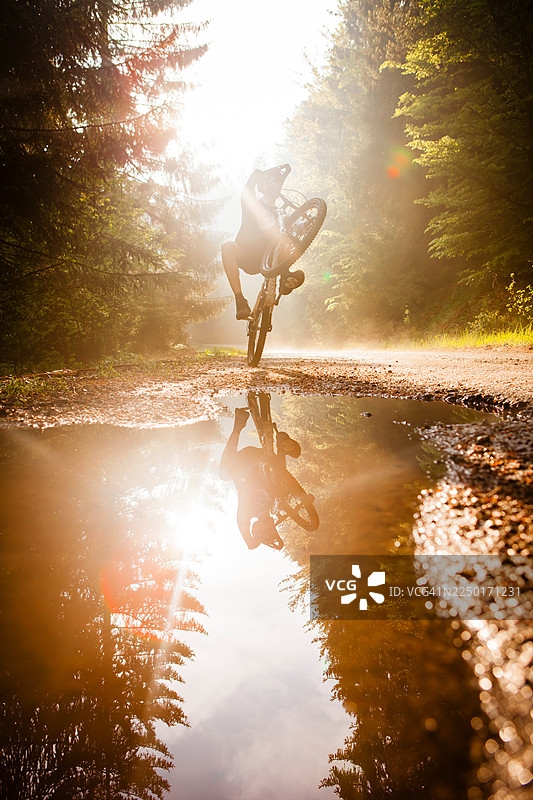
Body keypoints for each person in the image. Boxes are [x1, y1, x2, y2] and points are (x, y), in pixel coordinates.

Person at [221, 165, 305, 320]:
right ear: (264, 185)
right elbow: (247, 192)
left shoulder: (282, 214)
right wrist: (254, 177)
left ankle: (285, 278)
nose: (276, 186)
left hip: (268, 259)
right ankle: (240, 301)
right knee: (227, 247)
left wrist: (307, 223)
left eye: (279, 183)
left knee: (284, 235)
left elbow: (298, 229)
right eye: (273, 182)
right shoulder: (253, 204)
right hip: (246, 255)